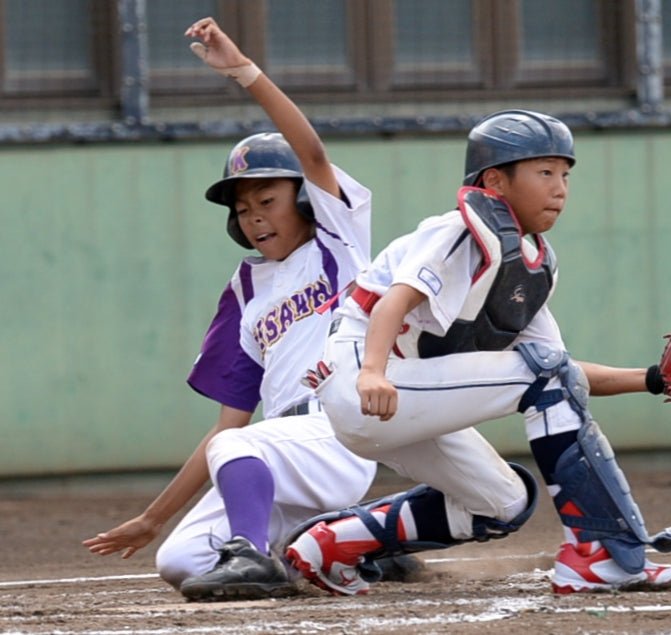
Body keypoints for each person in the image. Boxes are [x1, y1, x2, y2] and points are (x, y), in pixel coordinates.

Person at [283, 109, 671, 596]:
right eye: (544, 172)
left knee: (502, 502)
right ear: (495, 182)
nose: (560, 187)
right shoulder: (457, 232)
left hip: (407, 399)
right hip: (364, 382)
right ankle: (599, 553)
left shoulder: (529, 266)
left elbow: (562, 373)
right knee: (546, 377)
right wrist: (373, 371)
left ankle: (332, 544)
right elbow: (392, 303)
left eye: (564, 174)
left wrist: (654, 379)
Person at [83, 16, 421, 601]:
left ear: (305, 201)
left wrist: (244, 72)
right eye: (243, 209)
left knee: (236, 451)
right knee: (181, 559)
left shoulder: (336, 244)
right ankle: (356, 545)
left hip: (336, 432)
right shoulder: (245, 291)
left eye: (267, 199)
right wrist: (153, 518)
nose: (255, 215)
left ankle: (283, 553)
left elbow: (310, 152)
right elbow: (228, 423)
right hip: (278, 456)